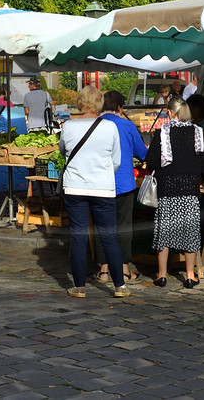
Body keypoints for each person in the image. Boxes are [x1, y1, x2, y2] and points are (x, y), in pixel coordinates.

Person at [58, 86, 127, 299]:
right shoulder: (110, 127)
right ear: (99, 104)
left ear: (80, 103)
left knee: (78, 237)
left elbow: (63, 151)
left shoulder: (68, 126)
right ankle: (119, 286)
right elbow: (116, 161)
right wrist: (102, 173)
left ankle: (79, 287)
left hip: (75, 186)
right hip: (102, 187)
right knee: (109, 236)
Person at [145, 98, 204, 288]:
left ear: (171, 113)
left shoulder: (163, 133)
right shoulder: (198, 132)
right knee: (189, 232)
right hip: (190, 189)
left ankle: (162, 274)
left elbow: (151, 161)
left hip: (167, 189)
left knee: (164, 232)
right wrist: (198, 179)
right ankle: (190, 275)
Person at [98, 90, 148, 282]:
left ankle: (103, 270)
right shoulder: (127, 125)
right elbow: (142, 153)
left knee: (102, 226)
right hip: (124, 183)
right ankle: (125, 269)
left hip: (100, 184)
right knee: (123, 227)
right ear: (120, 107)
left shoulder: (96, 124)